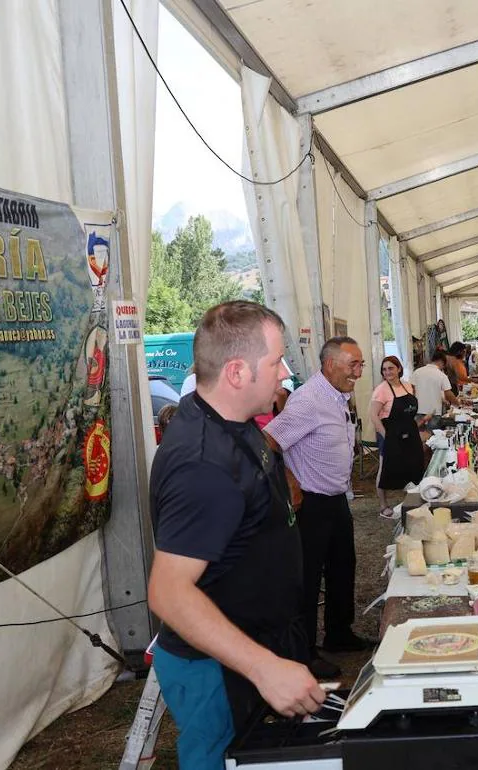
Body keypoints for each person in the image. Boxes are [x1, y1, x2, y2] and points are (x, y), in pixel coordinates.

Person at [148, 301, 324, 769]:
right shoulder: (202, 467)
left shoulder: (231, 419)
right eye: (276, 362)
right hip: (219, 668)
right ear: (236, 372)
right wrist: (264, 668)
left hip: (256, 645)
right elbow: (168, 593)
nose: (285, 374)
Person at [264, 337, 374, 667]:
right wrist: (290, 481)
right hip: (311, 503)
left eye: (360, 364)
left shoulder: (337, 396)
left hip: (336, 497)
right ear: (329, 365)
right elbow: (268, 439)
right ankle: (304, 651)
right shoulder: (309, 399)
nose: (358, 372)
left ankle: (339, 633)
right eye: (352, 365)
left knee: (343, 567)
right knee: (308, 578)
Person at [370, 355, 425, 519]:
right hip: (390, 433)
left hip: (410, 431)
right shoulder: (381, 389)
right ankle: (383, 505)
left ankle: (412, 501)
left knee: (413, 465)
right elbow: (373, 415)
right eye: (384, 369)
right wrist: (387, 436)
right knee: (385, 468)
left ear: (399, 369)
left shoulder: (408, 386)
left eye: (391, 368)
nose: (388, 372)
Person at [409, 350, 459, 429]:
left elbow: (412, 390)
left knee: (419, 438)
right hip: (434, 413)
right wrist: (458, 404)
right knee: (433, 438)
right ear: (441, 361)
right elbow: (448, 394)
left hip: (418, 411)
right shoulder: (441, 375)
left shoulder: (417, 372)